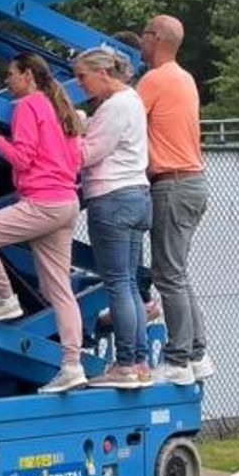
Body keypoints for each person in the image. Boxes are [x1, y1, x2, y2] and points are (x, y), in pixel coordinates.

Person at [0, 53, 87, 393]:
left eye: (11, 74)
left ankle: (5, 297)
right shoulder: (60, 108)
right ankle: (72, 364)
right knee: (59, 290)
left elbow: (23, 158)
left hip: (43, 201)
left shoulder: (27, 106)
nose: (8, 81)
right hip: (66, 202)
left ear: (27, 75)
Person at [138, 15, 212, 385]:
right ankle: (197, 353)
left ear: (155, 38)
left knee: (168, 275)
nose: (140, 40)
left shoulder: (154, 80)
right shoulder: (185, 78)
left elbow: (128, 121)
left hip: (172, 183)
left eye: (144, 33)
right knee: (177, 274)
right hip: (194, 182)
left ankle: (179, 358)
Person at [75, 46, 154, 389]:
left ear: (103, 73)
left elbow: (89, 153)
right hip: (137, 194)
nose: (80, 84)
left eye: (83, 76)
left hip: (112, 197)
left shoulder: (113, 107)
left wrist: (76, 132)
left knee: (118, 283)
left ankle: (124, 363)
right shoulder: (133, 101)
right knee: (130, 283)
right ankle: (137, 360)